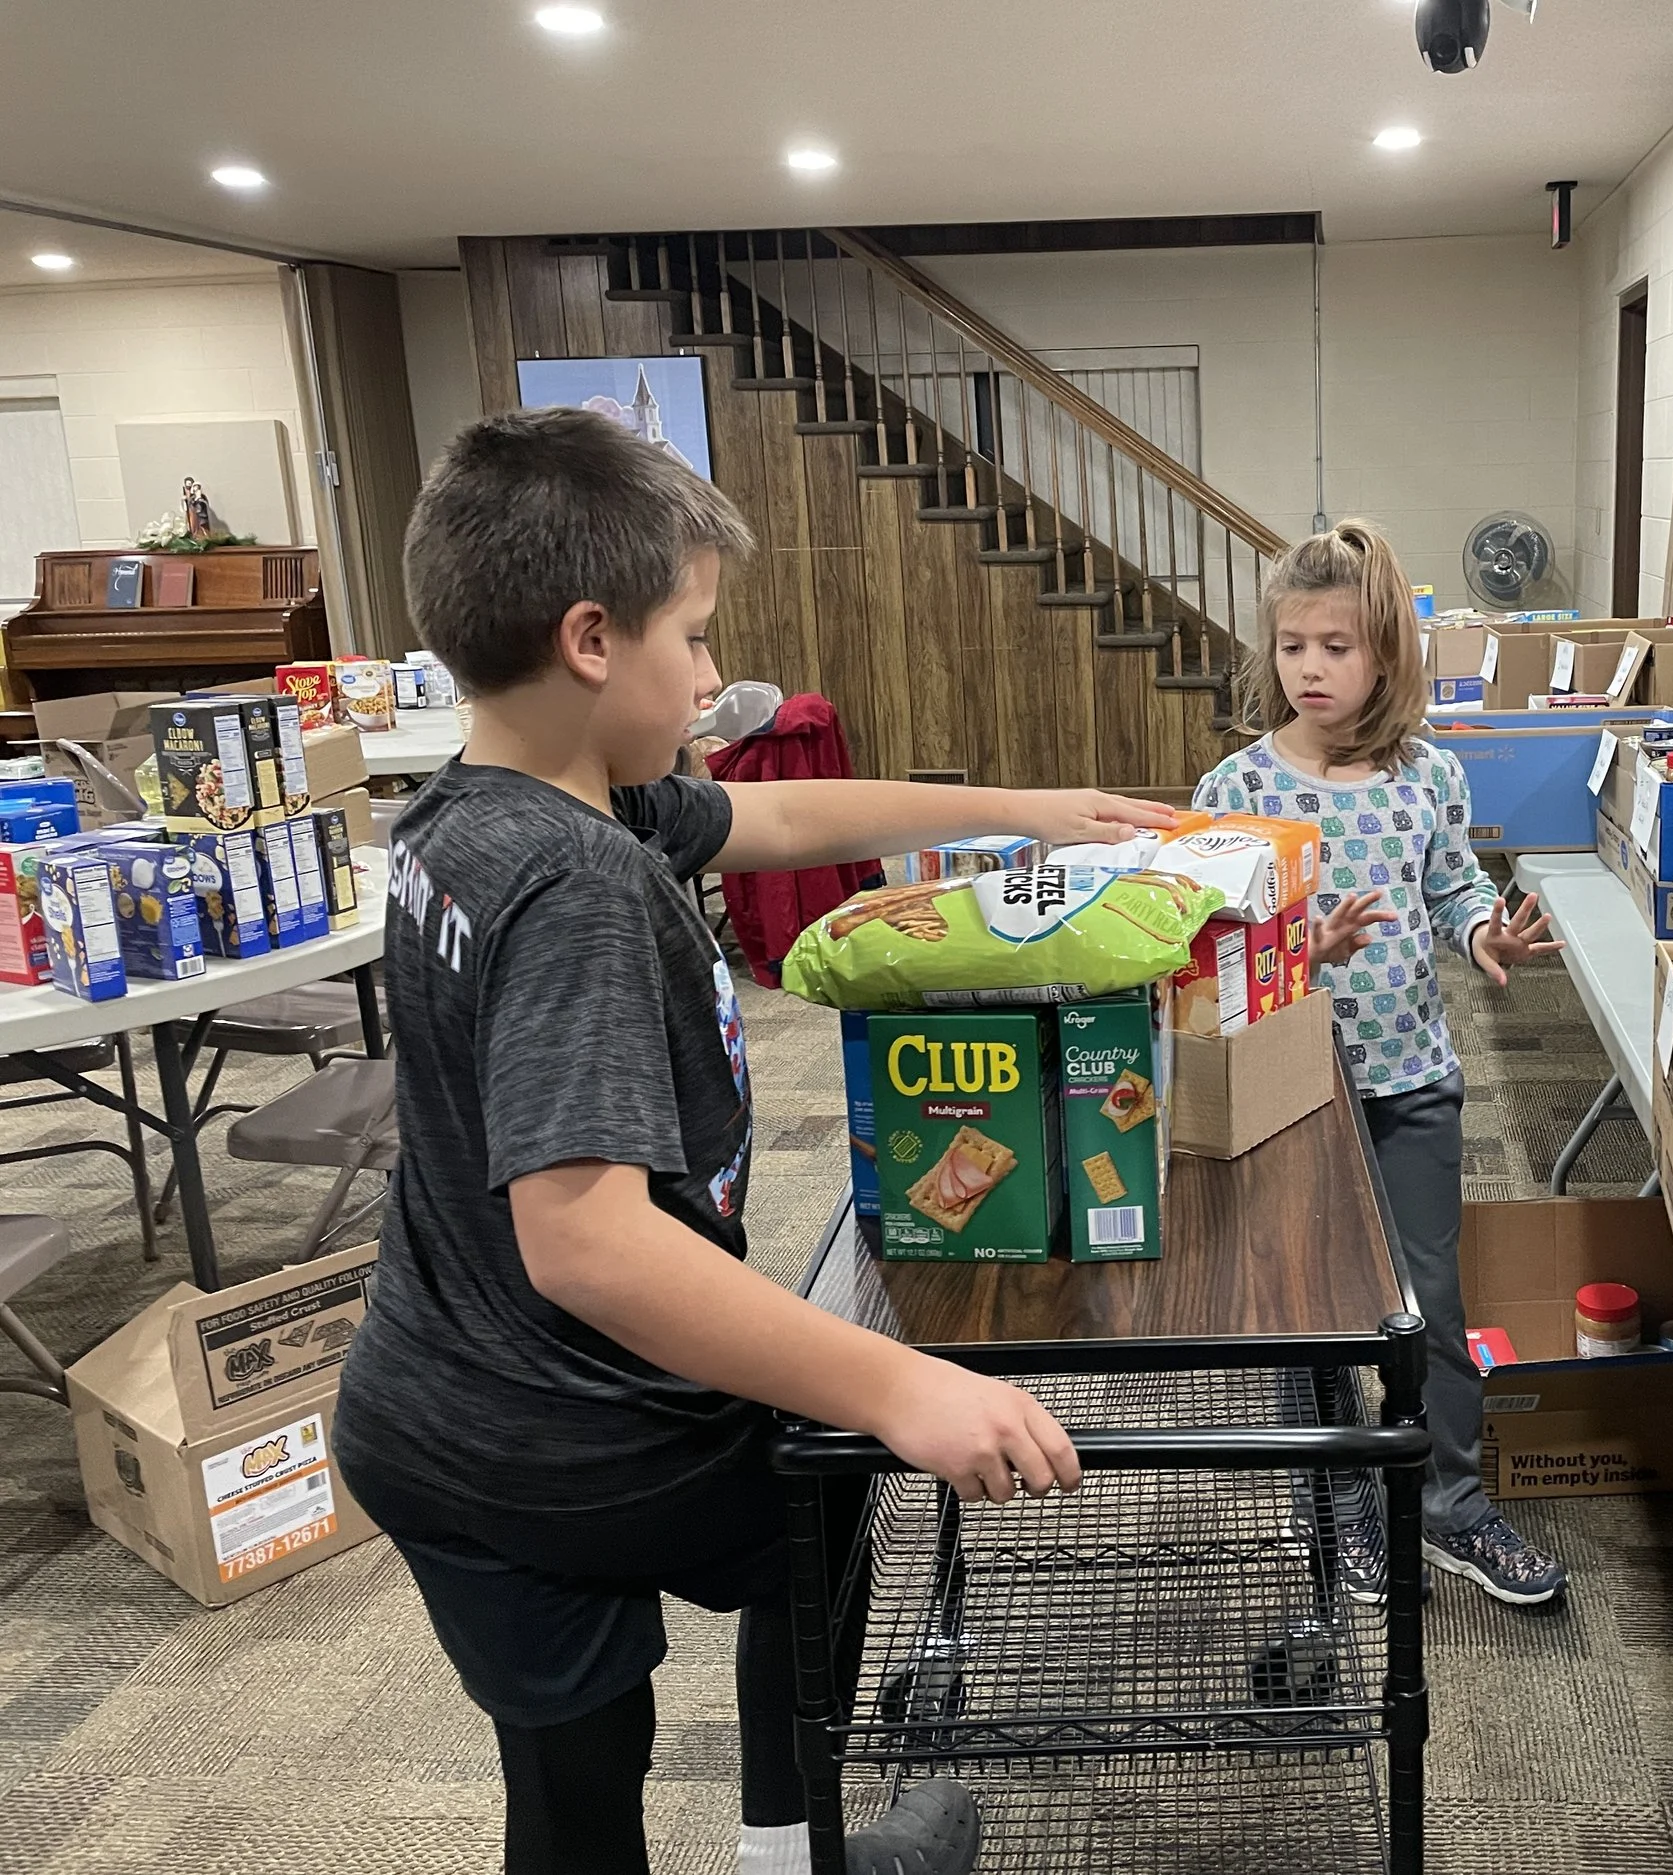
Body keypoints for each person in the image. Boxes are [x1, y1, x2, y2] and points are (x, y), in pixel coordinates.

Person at [333, 407, 1178, 1875]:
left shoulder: (465, 814)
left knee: (575, 1790)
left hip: (428, 1412)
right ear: (593, 637)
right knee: (832, 1454)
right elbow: (586, 1237)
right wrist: (903, 1381)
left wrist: (1025, 814)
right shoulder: (577, 879)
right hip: (583, 1429)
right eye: (699, 638)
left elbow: (773, 815)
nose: (719, 680)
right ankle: (799, 1852)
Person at [1191, 519, 1569, 1607]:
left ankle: (1451, 1505)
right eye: (1293, 645)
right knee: (1305, 1309)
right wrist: (1287, 952)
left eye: (1337, 647)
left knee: (1427, 1306)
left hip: (1410, 1082)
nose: (1310, 667)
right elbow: (1202, 952)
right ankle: (1336, 1499)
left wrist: (1480, 933)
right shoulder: (1234, 792)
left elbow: (1450, 890)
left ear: (1386, 657)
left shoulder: (1428, 778)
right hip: (1286, 1095)